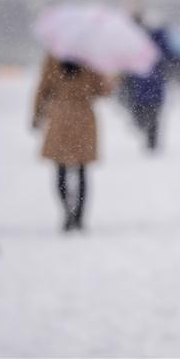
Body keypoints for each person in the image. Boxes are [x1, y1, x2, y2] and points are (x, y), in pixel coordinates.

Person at [32, 55, 112, 232]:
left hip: (60, 116)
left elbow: (43, 88)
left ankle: (67, 212)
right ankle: (79, 216)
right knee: (82, 171)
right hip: (83, 116)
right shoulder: (90, 58)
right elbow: (103, 91)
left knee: (60, 169)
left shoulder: (53, 57)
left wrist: (37, 114)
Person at [122, 18, 172, 152]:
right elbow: (168, 59)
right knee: (153, 116)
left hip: (142, 86)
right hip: (153, 87)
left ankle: (149, 138)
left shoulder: (139, 40)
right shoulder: (160, 44)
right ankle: (152, 141)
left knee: (144, 114)